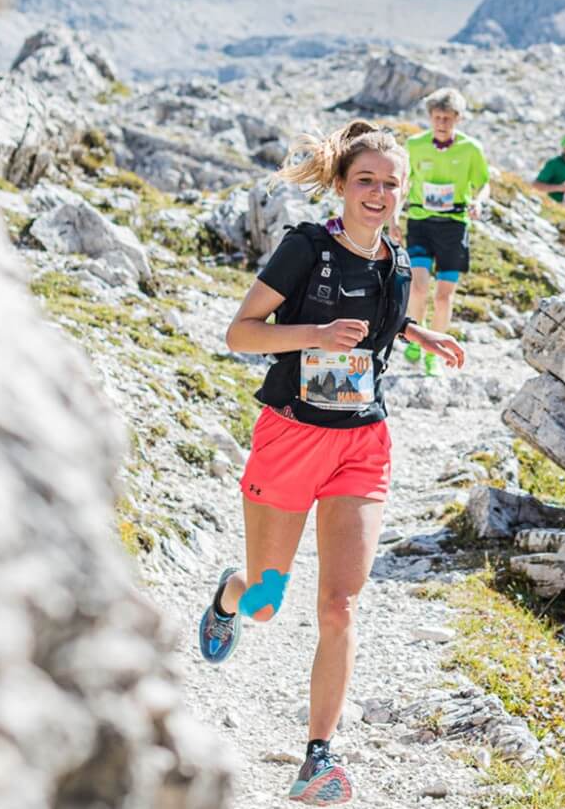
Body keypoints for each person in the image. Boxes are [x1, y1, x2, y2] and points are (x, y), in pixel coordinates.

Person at [198, 120, 464, 807]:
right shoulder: (305, 247)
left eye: (390, 183)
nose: (378, 193)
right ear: (343, 185)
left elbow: (378, 316)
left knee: (340, 605)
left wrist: (417, 329)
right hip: (290, 437)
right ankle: (232, 591)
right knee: (266, 601)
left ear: (403, 193)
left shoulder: (397, 263)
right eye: (366, 180)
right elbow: (240, 331)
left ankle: (318, 755)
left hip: (361, 445)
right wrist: (312, 334)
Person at [401, 88, 489, 376]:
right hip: (420, 222)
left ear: (458, 119)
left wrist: (478, 200)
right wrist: (391, 217)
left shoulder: (470, 148)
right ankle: (415, 337)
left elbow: (484, 184)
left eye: (447, 118)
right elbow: (401, 181)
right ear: (429, 117)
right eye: (437, 117)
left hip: (454, 225)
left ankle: (434, 354)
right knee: (418, 286)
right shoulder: (414, 145)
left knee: (442, 296)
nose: (441, 123)